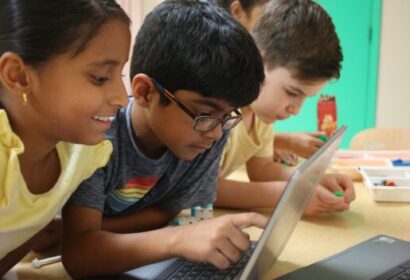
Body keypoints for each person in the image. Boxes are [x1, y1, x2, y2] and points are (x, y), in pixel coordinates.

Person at [61, 0, 267, 278]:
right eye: (205, 112)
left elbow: (172, 212)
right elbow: (79, 254)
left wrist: (103, 229)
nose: (217, 132)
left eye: (228, 115)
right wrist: (178, 239)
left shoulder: (208, 132)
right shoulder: (99, 137)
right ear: (146, 92)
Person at [0, 0, 131, 276]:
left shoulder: (77, 154)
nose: (121, 98)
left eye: (119, 74)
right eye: (100, 77)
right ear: (19, 75)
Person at [214, 0, 356, 215]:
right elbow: (204, 187)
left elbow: (262, 169)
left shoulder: (260, 113)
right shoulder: (216, 108)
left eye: (306, 98)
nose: (296, 110)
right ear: (259, 61)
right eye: (293, 92)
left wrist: (312, 181)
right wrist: (286, 194)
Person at [213, 0, 328, 166]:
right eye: (269, 15)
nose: (278, 31)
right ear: (237, 12)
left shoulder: (260, 105)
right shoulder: (218, 90)